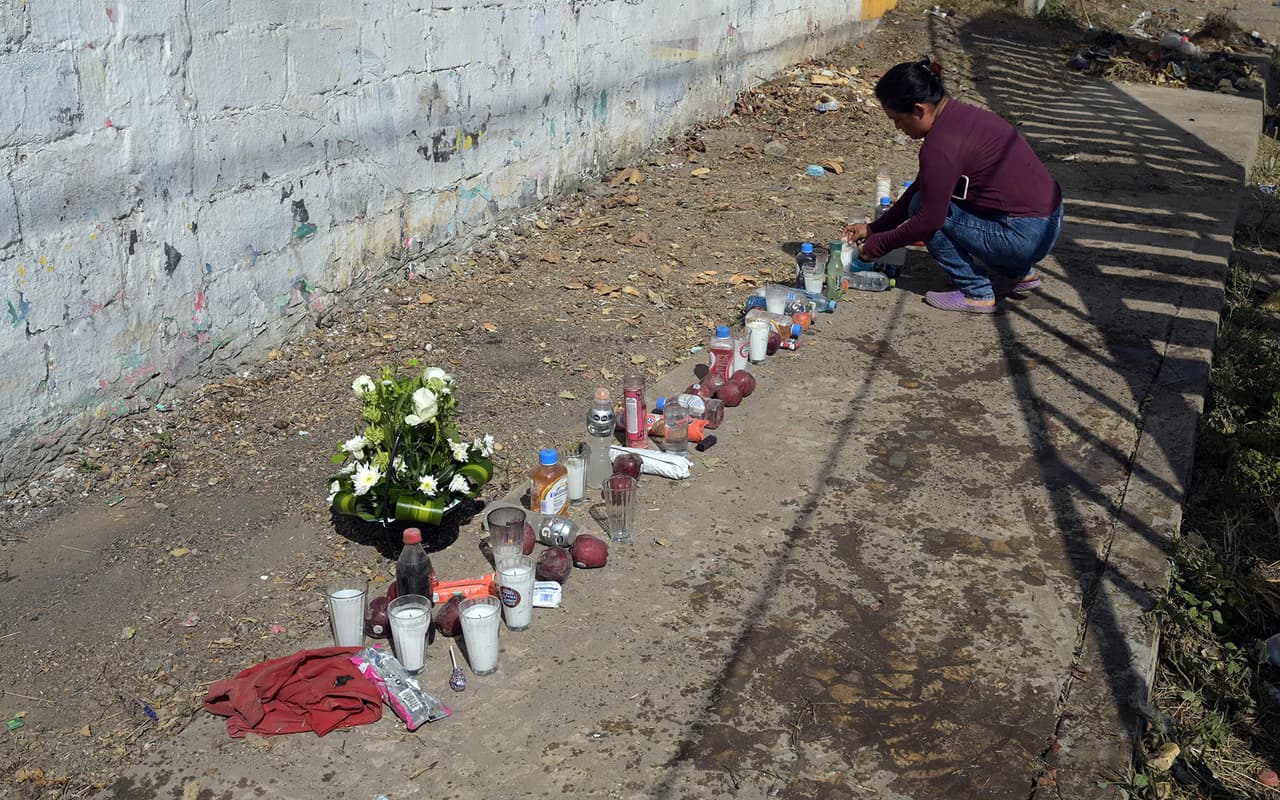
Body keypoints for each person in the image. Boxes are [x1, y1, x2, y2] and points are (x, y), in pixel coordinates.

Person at [843, 58, 1063, 314]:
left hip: (1024, 235)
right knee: (930, 200)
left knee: (923, 211)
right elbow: (923, 185)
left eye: (899, 120)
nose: (898, 128)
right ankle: (1017, 273)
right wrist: (873, 229)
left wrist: (880, 245)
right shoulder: (959, 115)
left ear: (918, 110)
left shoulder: (940, 145)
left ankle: (976, 292)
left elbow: (929, 219)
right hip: (1046, 223)